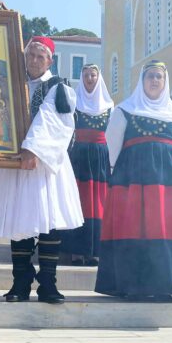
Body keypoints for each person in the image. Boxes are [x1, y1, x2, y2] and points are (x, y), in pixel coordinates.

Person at [0, 36, 83, 304]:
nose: (35, 61)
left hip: (45, 165)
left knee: (49, 224)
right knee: (21, 222)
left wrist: (33, 149)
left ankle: (48, 282)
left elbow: (53, 121)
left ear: (50, 60)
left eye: (41, 57)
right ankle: (20, 281)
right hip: (16, 163)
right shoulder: (11, 85)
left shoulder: (58, 88)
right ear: (24, 57)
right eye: (31, 55)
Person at [96, 61, 172, 300]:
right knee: (137, 227)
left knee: (166, 228)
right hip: (134, 180)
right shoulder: (124, 110)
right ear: (141, 81)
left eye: (159, 77)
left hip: (171, 183)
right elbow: (112, 148)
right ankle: (135, 285)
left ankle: (166, 285)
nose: (154, 81)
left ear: (165, 83)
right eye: (150, 76)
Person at [62, 63, 113, 265]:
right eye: (86, 75)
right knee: (79, 203)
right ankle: (76, 251)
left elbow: (114, 135)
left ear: (98, 78)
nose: (89, 78)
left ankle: (94, 251)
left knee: (98, 205)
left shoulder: (110, 107)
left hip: (101, 158)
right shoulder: (74, 103)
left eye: (93, 75)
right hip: (79, 157)